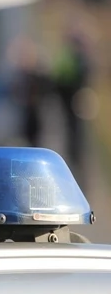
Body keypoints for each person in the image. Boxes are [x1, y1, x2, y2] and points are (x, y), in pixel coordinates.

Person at [51, 17, 93, 176]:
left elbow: (82, 76)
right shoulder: (69, 53)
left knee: (77, 133)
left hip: (74, 96)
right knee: (72, 132)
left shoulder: (78, 54)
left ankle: (79, 166)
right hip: (68, 97)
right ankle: (76, 165)